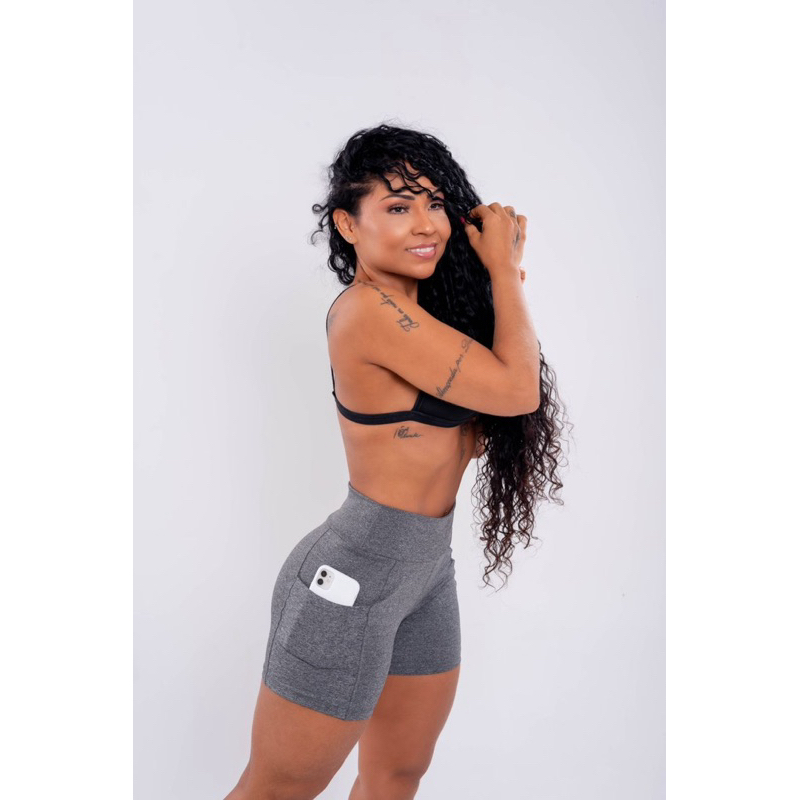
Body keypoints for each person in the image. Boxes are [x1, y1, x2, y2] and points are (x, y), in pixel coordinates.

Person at [224, 124, 569, 800]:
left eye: (435, 203)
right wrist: (503, 270)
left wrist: (494, 284)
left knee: (396, 775)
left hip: (426, 573)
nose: (425, 223)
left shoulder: (431, 320)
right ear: (348, 225)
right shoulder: (366, 313)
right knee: (277, 789)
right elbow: (516, 389)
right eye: (398, 206)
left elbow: (502, 394)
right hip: (351, 577)